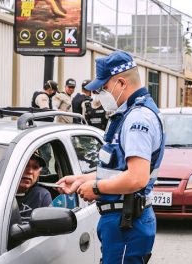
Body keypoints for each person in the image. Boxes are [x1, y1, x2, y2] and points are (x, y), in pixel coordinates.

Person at [57, 51, 165, 263]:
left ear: (121, 83)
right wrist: (82, 180)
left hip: (126, 222)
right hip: (122, 221)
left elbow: (136, 178)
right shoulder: (131, 114)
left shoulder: (137, 119)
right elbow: (118, 170)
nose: (100, 96)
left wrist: (96, 188)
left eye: (104, 89)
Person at [16, 151, 52, 221]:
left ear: (39, 173)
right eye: (25, 165)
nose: (30, 171)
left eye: (35, 167)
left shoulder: (41, 196)